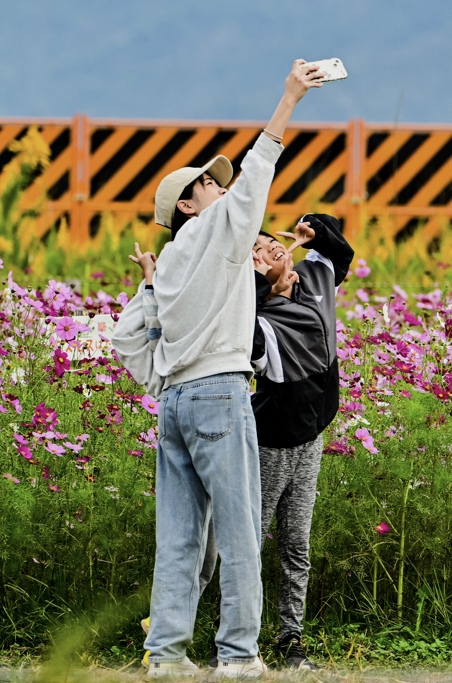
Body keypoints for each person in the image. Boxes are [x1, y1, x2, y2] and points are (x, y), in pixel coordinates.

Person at [112, 59, 323, 680]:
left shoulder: (169, 261)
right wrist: (289, 98)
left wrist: (150, 305)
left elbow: (128, 339)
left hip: (174, 403)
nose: (220, 186)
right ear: (188, 203)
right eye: (208, 182)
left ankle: (166, 656)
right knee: (238, 535)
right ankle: (237, 656)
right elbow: (259, 172)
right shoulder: (216, 233)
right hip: (220, 394)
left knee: (178, 541)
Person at [248, 214, 353, 670]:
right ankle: (237, 639)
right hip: (269, 444)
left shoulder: (314, 279)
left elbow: (339, 251)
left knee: (297, 544)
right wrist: (258, 281)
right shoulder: (257, 321)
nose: (271, 248)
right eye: (255, 252)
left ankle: (292, 639)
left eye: (271, 242)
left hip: (310, 441)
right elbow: (236, 316)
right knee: (249, 543)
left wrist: (312, 229)